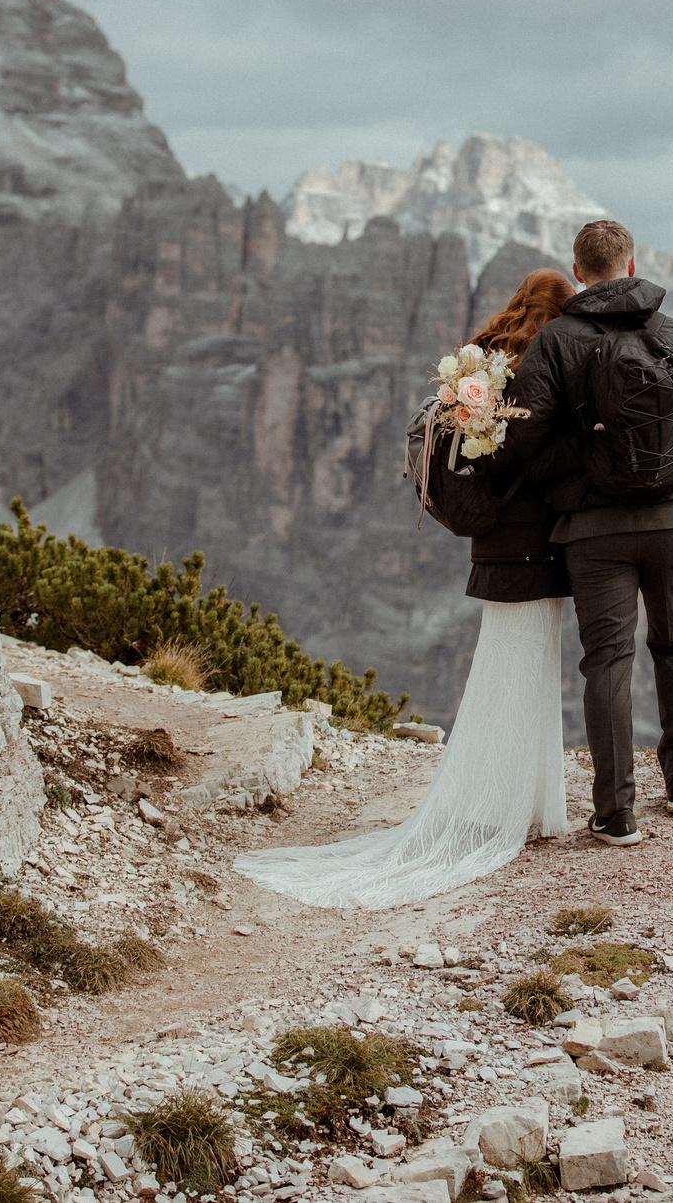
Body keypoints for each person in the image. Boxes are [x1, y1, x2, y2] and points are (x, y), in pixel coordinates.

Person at [232, 269, 577, 908]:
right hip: (532, 540)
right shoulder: (537, 373)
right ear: (560, 315)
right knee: (524, 667)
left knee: (510, 664)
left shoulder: (490, 364)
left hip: (497, 541)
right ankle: (502, 811)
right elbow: (524, 456)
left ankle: (522, 804)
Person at [498, 218, 673, 846]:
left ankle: (616, 812)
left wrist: (575, 471)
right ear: (632, 263)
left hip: (594, 530)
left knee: (608, 661)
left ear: (577, 272)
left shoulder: (558, 341)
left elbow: (520, 439)